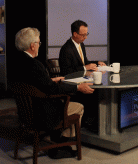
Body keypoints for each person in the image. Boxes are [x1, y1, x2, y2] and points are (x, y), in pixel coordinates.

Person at [13, 27, 94, 159]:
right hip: (41, 113)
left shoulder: (17, 62)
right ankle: (60, 145)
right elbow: (53, 90)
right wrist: (77, 88)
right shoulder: (35, 65)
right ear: (32, 46)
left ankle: (58, 140)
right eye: (39, 43)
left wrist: (51, 80)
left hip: (25, 113)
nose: (39, 45)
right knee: (78, 107)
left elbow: (34, 83)